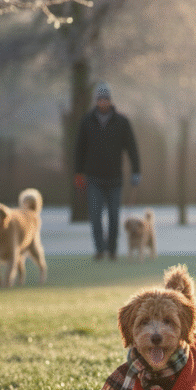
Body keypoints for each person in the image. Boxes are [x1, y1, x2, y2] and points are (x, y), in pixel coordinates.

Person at [74, 82, 141, 261]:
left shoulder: (122, 121)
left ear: (110, 100)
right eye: (100, 99)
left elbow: (132, 148)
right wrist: (79, 173)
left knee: (113, 217)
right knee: (95, 218)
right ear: (96, 100)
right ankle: (99, 249)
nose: (103, 102)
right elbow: (80, 148)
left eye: (106, 99)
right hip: (93, 178)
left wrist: (136, 171)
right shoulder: (87, 121)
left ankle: (112, 249)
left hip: (115, 179)